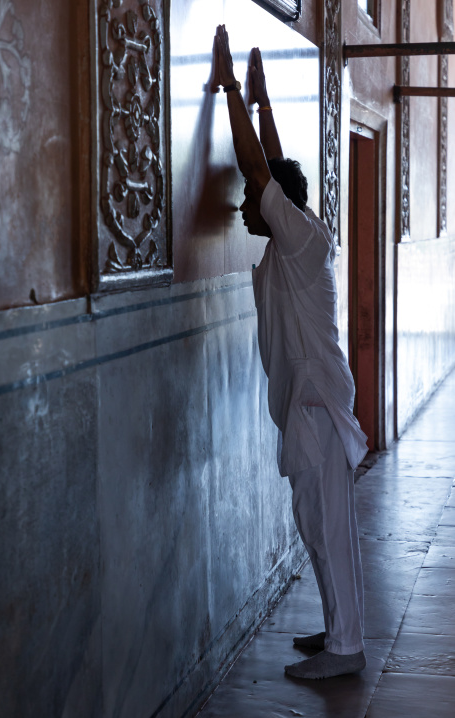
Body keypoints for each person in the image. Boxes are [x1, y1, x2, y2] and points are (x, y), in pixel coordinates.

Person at [214, 25, 369, 680]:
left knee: (326, 531)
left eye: (252, 201)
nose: (245, 206)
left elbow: (260, 171)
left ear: (275, 206)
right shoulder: (296, 240)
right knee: (321, 526)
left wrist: (228, 88)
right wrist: (263, 98)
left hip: (313, 407)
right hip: (310, 404)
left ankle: (345, 648)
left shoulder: (299, 240)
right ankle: (340, 635)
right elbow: (271, 167)